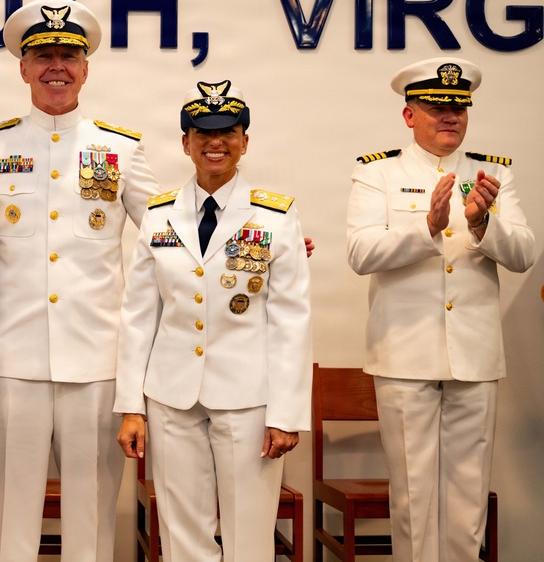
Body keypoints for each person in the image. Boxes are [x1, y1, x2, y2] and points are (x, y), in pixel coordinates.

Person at [0, 0, 161, 562]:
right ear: (24, 67)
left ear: (86, 67)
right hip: (12, 359)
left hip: (97, 362)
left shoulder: (120, 148)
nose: (57, 65)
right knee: (9, 513)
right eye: (44, 55)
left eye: (69, 54)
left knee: (94, 513)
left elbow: (167, 232)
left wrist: (246, 242)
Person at [115, 80, 312, 562]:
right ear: (185, 143)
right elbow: (139, 315)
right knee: (181, 534)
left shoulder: (275, 217)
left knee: (249, 533)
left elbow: (292, 321)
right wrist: (132, 405)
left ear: (245, 141)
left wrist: (286, 413)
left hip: (249, 400)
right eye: (202, 132)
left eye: (228, 131)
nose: (215, 142)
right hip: (171, 395)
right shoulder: (160, 216)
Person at [346, 57, 535, 562]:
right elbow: (360, 254)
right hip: (405, 356)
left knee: (468, 496)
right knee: (412, 494)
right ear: (410, 115)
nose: (450, 116)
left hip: (473, 356)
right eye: (436, 107)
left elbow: (523, 255)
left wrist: (481, 225)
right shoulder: (378, 172)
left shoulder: (492, 174)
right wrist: (427, 226)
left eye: (458, 107)